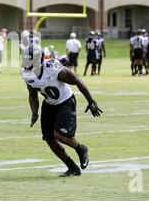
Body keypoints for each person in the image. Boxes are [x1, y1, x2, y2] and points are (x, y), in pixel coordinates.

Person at [21, 44, 102, 177]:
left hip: (65, 102)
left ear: (39, 59)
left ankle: (81, 149)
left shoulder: (52, 68)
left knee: (60, 135)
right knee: (49, 138)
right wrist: (34, 113)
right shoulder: (26, 74)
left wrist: (91, 100)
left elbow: (76, 80)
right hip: (49, 104)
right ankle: (72, 168)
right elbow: (33, 95)